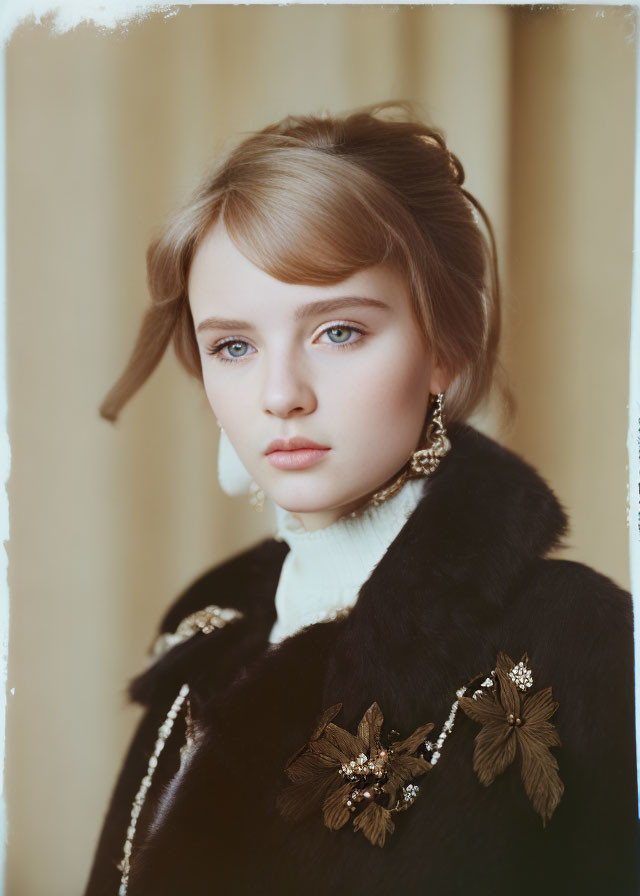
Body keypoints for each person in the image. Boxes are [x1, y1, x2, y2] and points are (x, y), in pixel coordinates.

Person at [83, 102, 637, 896]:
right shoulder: (211, 625)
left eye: (338, 331)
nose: (280, 394)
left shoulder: (579, 639)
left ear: (445, 345)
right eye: (233, 346)